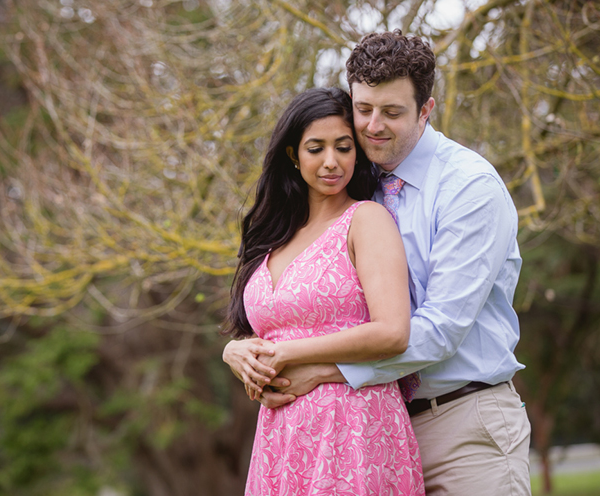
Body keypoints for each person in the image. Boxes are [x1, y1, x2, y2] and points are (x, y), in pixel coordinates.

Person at [224, 30, 531, 495]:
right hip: (373, 428)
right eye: (363, 109)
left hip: (463, 422)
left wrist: (325, 370)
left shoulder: (469, 188)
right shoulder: (360, 184)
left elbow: (439, 329)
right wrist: (237, 349)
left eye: (392, 112)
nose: (373, 126)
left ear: (425, 110)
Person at [224, 86, 424, 495]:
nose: (331, 162)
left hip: (352, 429)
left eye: (344, 147)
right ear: (294, 156)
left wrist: (286, 354)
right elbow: (268, 330)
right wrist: (234, 351)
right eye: (316, 148)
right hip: (280, 436)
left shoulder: (367, 220)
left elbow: (392, 332)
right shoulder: (274, 236)